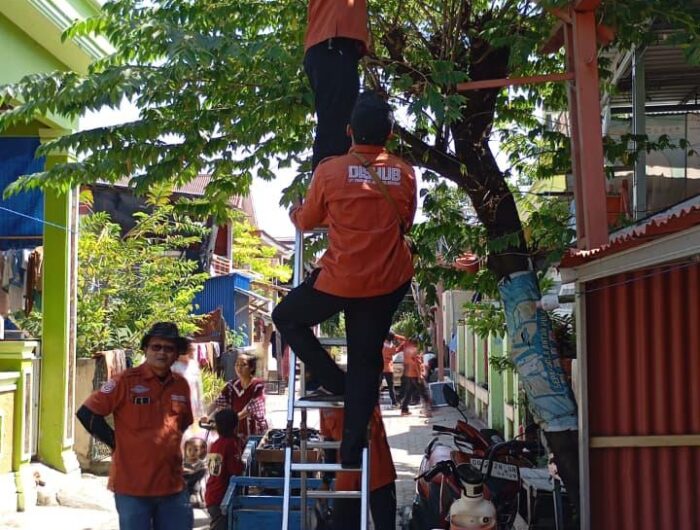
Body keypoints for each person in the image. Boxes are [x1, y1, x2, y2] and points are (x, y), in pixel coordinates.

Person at [272, 91, 417, 468]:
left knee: (286, 317)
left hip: (341, 278)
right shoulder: (405, 172)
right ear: (389, 135)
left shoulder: (329, 171)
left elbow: (307, 221)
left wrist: (297, 213)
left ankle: (333, 380)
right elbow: (405, 221)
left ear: (350, 130)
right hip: (387, 278)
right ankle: (353, 448)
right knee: (366, 360)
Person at [76, 322, 194, 530]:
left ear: (176, 354)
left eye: (169, 348)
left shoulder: (181, 385)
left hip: (172, 487)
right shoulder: (124, 381)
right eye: (156, 347)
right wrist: (115, 443)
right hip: (132, 489)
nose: (162, 352)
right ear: (145, 349)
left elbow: (182, 425)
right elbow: (87, 413)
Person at [304, 0, 369, 171]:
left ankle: (330, 181)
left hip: (335, 47)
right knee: (336, 128)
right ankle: (328, 183)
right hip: (332, 44)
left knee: (341, 126)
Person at [320, 406, 397, 530]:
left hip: (378, 471)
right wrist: (326, 481)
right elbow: (329, 442)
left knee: (384, 524)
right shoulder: (325, 404)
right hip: (346, 477)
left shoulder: (364, 395)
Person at [207, 353, 268, 442]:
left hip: (255, 433)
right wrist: (206, 414)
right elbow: (218, 401)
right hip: (236, 432)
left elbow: (252, 407)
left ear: (251, 368)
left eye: (243, 365)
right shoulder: (231, 385)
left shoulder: (258, 385)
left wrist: (232, 419)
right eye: (237, 364)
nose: (239, 368)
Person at [205, 409, 244, 530]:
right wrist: (242, 464)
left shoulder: (216, 444)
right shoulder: (230, 444)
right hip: (222, 497)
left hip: (212, 493)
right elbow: (235, 470)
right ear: (235, 426)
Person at [400, 339, 432, 417]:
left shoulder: (406, 351)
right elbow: (416, 364)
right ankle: (427, 411)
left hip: (408, 374)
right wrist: (419, 375)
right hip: (415, 375)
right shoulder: (415, 351)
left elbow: (406, 363)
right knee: (424, 392)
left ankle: (404, 410)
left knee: (409, 393)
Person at [183, 437, 207, 508]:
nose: (192, 453)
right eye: (189, 450)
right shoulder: (183, 463)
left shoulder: (201, 464)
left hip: (195, 490)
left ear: (201, 451)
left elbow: (202, 477)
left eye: (196, 450)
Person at [381, 332, 400, 407]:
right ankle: (394, 403)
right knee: (391, 387)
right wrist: (395, 337)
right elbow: (396, 351)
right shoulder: (392, 347)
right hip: (389, 368)